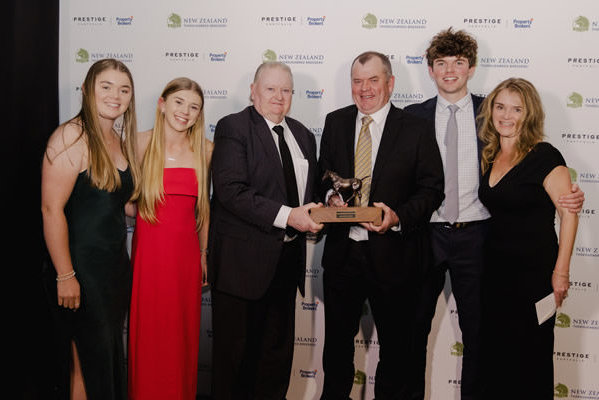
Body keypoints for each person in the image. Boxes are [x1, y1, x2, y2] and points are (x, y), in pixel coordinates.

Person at [405, 29, 585, 400]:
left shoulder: (491, 111)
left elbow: (534, 167)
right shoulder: (412, 118)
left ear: (471, 68)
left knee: (480, 339)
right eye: (441, 63)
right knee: (411, 332)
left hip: (479, 241)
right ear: (430, 69)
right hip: (427, 237)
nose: (450, 71)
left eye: (458, 63)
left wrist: (569, 196)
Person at [318, 51, 444, 399]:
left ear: (390, 83)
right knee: (337, 352)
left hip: (396, 257)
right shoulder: (335, 121)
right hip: (343, 256)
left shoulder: (416, 128)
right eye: (357, 81)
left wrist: (398, 216)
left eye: (373, 80)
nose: (365, 89)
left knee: (396, 354)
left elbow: (432, 188)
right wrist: (330, 196)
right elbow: (323, 176)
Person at [209, 62, 323, 399]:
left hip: (286, 262)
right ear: (253, 91)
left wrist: (324, 207)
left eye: (286, 90)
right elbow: (231, 191)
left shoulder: (302, 134)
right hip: (241, 265)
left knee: (275, 358)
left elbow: (307, 193)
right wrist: (290, 217)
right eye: (271, 89)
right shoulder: (234, 127)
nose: (279, 96)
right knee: (235, 361)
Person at [41, 58, 140, 400]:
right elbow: (51, 209)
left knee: (101, 360)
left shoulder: (116, 138)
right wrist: (65, 275)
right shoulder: (71, 135)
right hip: (80, 270)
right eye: (107, 86)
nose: (116, 95)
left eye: (124, 89)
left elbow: (119, 204)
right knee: (87, 361)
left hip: (113, 269)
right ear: (87, 90)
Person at [477, 78, 578, 399]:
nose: (507, 115)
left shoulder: (545, 156)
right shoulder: (490, 154)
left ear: (529, 114)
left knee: (530, 361)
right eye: (500, 106)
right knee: (497, 362)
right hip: (494, 274)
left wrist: (560, 272)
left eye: (516, 109)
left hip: (534, 277)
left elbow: (569, 214)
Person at [127, 78, 212, 399]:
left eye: (193, 107)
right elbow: (121, 199)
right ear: (162, 103)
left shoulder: (206, 150)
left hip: (186, 259)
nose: (185, 112)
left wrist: (204, 253)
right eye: (179, 102)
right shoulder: (138, 143)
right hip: (149, 256)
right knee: (149, 337)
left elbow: (203, 209)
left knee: (181, 338)